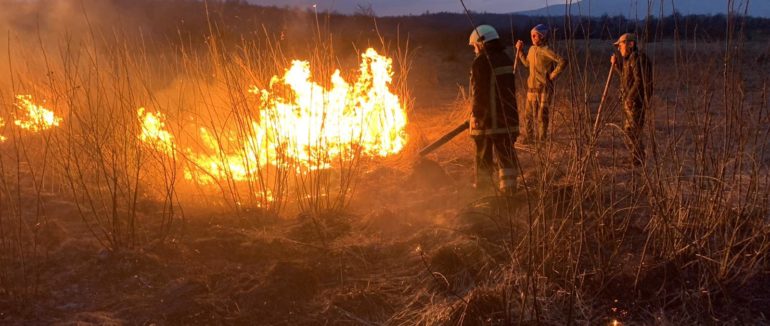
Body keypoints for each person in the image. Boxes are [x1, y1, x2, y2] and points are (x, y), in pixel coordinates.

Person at [468, 25, 519, 195]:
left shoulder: (481, 62)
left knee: (483, 154)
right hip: (508, 118)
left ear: (482, 42)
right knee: (506, 154)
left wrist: (476, 115)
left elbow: (479, 92)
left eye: (475, 45)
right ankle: (509, 190)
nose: (474, 49)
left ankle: (484, 190)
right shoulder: (505, 59)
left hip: (488, 120)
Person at [515, 24, 567, 144]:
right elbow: (527, 64)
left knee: (541, 116)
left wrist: (552, 76)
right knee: (528, 115)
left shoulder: (546, 50)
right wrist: (520, 51)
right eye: (531, 35)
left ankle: (541, 140)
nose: (532, 38)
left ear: (542, 36)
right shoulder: (532, 50)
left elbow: (562, 61)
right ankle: (529, 138)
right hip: (531, 88)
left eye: (535, 35)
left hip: (544, 88)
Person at [611, 33, 653, 166]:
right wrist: (616, 66)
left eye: (620, 45)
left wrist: (630, 98)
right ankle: (636, 158)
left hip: (636, 102)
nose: (619, 48)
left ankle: (637, 160)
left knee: (633, 130)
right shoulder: (628, 60)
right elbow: (627, 79)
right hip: (631, 101)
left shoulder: (637, 58)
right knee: (631, 130)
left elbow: (639, 81)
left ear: (630, 44)